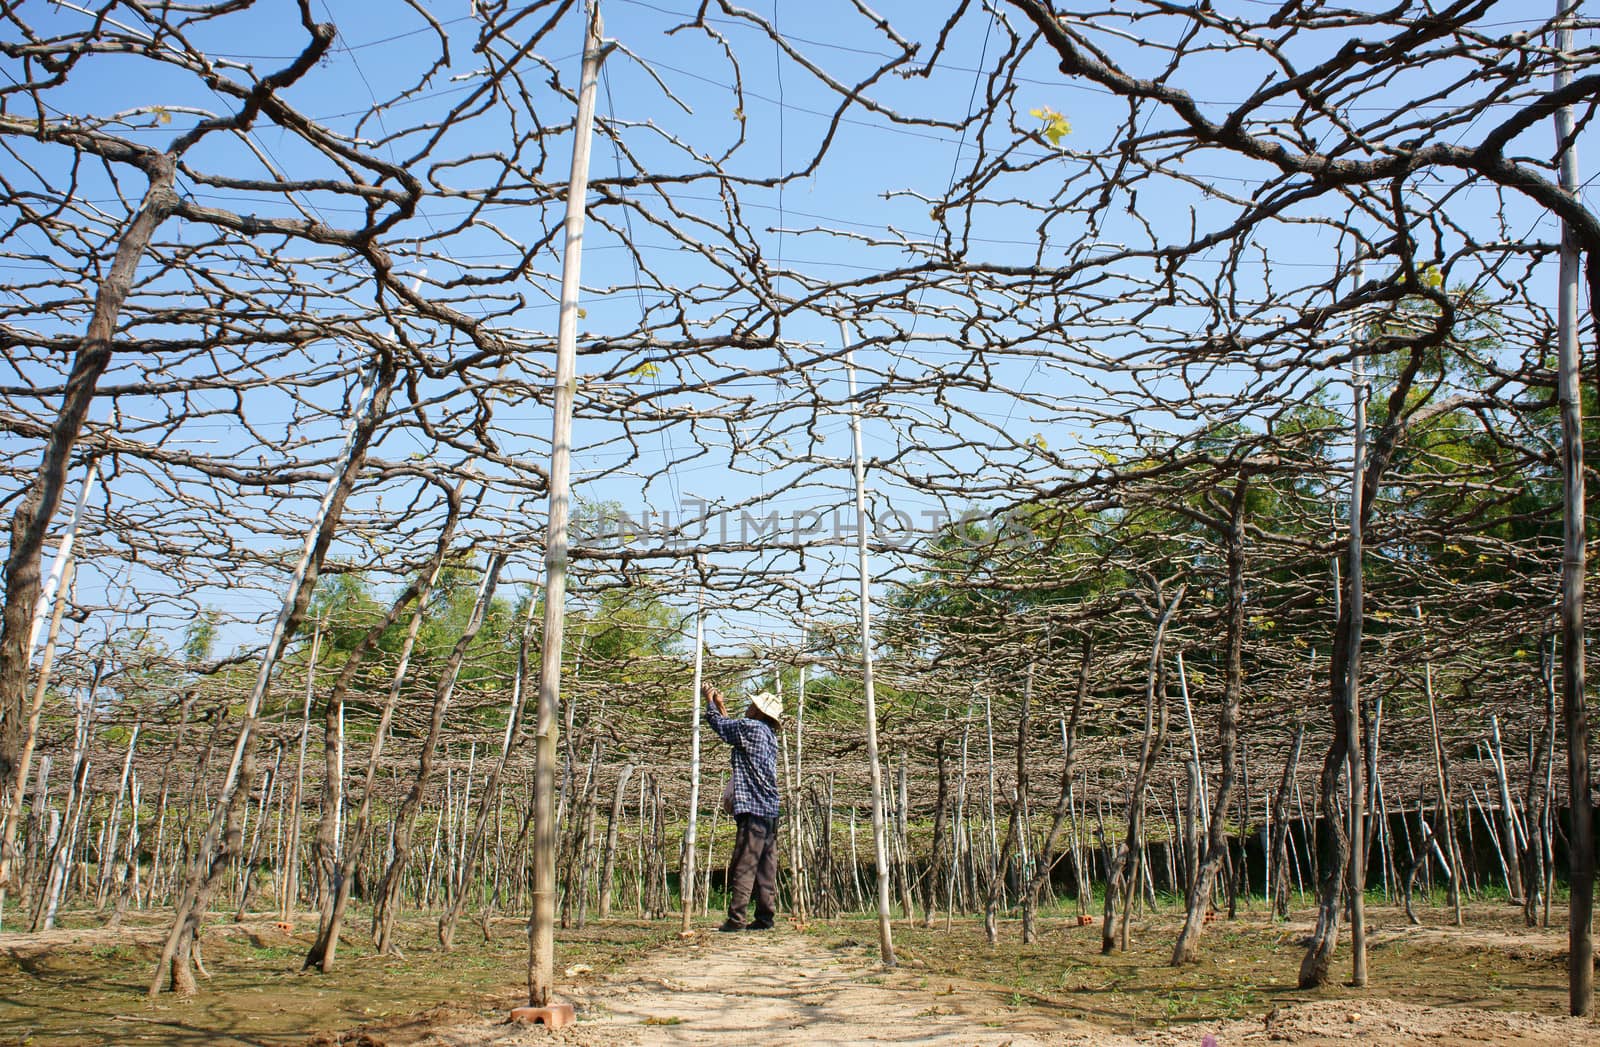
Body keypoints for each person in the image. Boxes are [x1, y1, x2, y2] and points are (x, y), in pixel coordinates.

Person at [703, 682, 782, 931]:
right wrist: (721, 705)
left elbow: (721, 726)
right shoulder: (766, 734)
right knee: (765, 865)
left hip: (754, 808)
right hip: (769, 809)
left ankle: (736, 919)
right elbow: (732, 732)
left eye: (752, 705)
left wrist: (708, 701)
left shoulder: (751, 728)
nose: (748, 708)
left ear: (759, 712)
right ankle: (765, 918)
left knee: (745, 862)